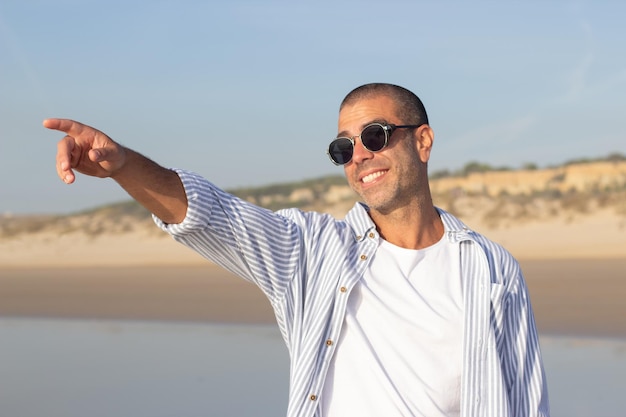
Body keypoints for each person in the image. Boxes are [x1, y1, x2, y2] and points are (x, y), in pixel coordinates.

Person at [45, 83, 549, 417]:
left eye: (374, 135)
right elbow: (210, 215)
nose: (360, 156)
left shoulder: (489, 268)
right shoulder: (314, 252)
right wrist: (123, 165)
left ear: (423, 141)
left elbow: (527, 400)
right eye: (343, 148)